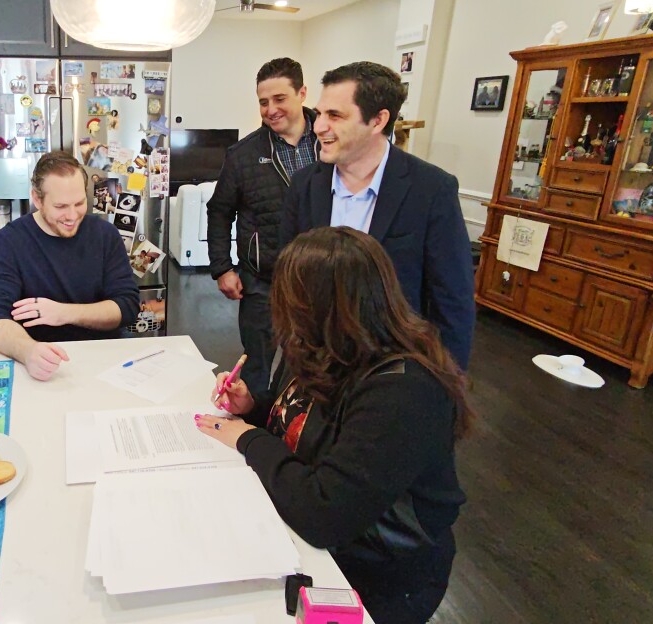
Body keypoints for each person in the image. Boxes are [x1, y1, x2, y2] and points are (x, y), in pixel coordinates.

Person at [197, 227, 470, 624]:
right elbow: (308, 427)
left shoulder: (404, 392)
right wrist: (254, 408)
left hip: (381, 575)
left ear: (324, 307)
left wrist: (249, 439)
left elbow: (324, 513)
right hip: (332, 545)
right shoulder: (326, 346)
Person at [281, 62, 475, 369]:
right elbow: (288, 278)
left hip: (392, 367)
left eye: (335, 115)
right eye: (319, 114)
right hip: (316, 363)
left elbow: (452, 300)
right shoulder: (305, 184)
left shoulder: (431, 189)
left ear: (377, 120)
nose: (318, 127)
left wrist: (446, 386)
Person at [206, 57, 319, 395]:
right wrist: (222, 268)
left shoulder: (330, 143)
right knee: (255, 365)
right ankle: (253, 434)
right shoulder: (242, 154)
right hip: (261, 281)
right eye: (263, 101)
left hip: (321, 281)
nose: (270, 109)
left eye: (280, 99)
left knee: (313, 366)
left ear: (301, 93)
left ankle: (296, 431)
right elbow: (219, 210)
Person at [0, 151, 139, 381]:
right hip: (35, 362)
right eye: (61, 206)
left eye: (80, 203)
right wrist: (27, 350)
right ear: (37, 199)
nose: (72, 216)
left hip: (103, 360)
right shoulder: (7, 242)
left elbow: (127, 306)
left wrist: (63, 313)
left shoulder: (105, 235)